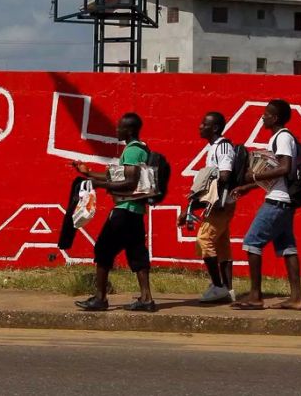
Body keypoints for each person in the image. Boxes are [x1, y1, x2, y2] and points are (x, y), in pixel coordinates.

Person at [71, 112, 156, 312]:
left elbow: (130, 181)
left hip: (125, 210)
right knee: (137, 253)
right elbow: (120, 176)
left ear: (129, 130)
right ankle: (146, 299)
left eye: (120, 127)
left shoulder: (133, 151)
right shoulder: (138, 149)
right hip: (134, 211)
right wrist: (89, 173)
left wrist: (98, 184)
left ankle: (100, 298)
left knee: (102, 250)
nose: (116, 130)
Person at [230, 99, 301, 310]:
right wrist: (249, 187)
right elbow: (278, 175)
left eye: (267, 114)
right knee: (287, 248)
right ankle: (297, 298)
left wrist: (254, 176)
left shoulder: (281, 138)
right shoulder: (282, 138)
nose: (263, 117)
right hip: (284, 200)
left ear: (275, 118)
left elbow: (283, 168)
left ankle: (255, 295)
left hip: (277, 202)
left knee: (252, 242)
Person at [177, 112, 236, 303]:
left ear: (215, 128)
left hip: (221, 204)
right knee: (222, 245)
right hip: (218, 204)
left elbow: (225, 175)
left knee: (204, 240)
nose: (200, 126)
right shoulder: (214, 148)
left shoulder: (223, 147)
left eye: (205, 124)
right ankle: (228, 289)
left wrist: (208, 200)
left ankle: (218, 286)